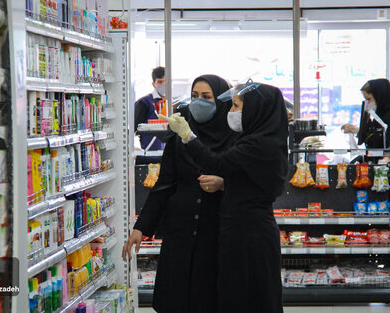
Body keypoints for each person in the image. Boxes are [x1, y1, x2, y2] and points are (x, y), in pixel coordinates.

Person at [160, 82, 288, 313]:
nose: (231, 111)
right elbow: (250, 179)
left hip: (248, 234)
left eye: (237, 106)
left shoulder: (257, 144)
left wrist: (188, 136)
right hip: (244, 229)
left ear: (256, 110)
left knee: (248, 296)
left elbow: (216, 163)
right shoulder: (264, 138)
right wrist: (226, 183)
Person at [123, 75, 238, 313]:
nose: (198, 102)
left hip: (216, 232)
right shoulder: (180, 134)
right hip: (180, 232)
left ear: (221, 101)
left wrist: (224, 183)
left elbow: (246, 181)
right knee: (176, 298)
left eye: (207, 97)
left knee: (209, 299)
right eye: (195, 96)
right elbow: (164, 184)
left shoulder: (235, 138)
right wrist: (141, 227)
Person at [341, 79, 390, 154]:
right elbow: (374, 137)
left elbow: (387, 142)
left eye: (369, 99)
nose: (368, 103)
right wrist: (358, 131)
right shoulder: (380, 114)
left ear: (379, 96)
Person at [134, 66, 167, 154]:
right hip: (150, 154)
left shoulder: (173, 103)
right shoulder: (144, 103)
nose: (164, 84)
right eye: (160, 82)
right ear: (153, 84)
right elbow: (132, 130)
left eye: (166, 81)